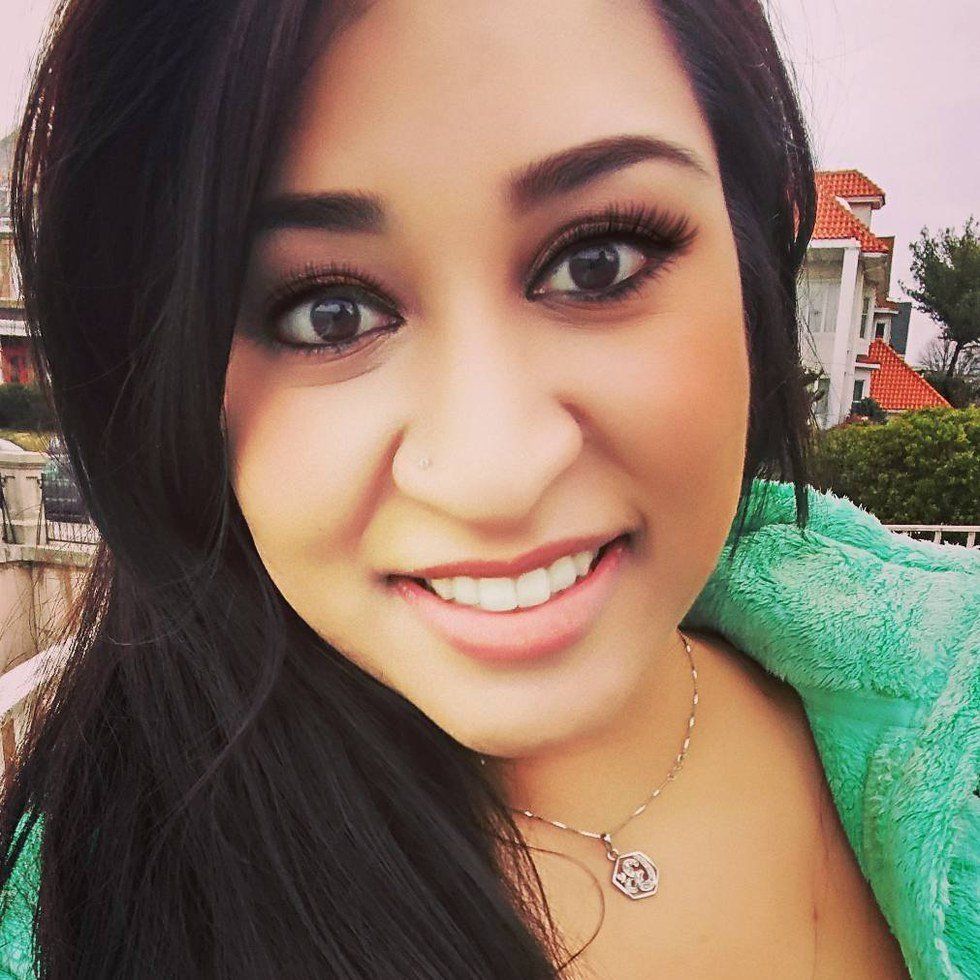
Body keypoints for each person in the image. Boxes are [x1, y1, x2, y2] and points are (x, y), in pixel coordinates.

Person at [0, 1, 975, 977]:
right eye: (329, 313)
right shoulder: (87, 921)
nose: (494, 473)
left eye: (597, 262)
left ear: (747, 249)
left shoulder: (947, 716)